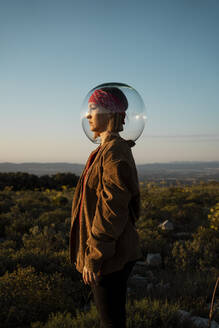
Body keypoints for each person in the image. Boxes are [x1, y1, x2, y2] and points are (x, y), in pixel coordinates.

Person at [69, 86, 142, 328]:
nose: (88, 115)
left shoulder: (113, 152)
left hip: (110, 254)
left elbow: (113, 207)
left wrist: (95, 254)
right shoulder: (106, 149)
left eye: (93, 109)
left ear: (110, 112)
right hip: (113, 251)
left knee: (110, 323)